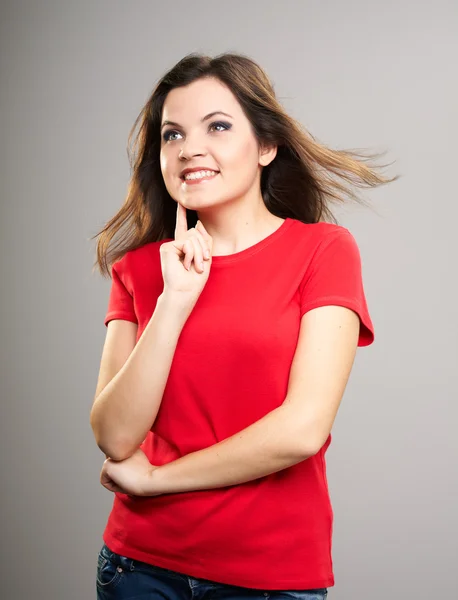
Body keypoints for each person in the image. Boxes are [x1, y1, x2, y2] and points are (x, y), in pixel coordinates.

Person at [90, 52, 396, 599]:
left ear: (266, 146)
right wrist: (173, 304)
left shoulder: (322, 252)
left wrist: (158, 479)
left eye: (219, 126)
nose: (189, 149)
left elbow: (301, 429)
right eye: (172, 134)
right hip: (138, 567)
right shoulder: (139, 269)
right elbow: (115, 436)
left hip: (268, 577)